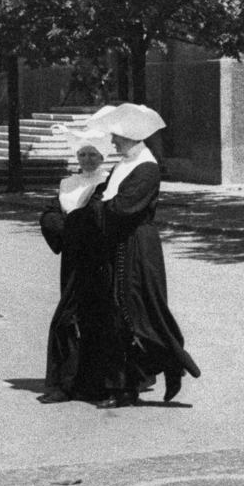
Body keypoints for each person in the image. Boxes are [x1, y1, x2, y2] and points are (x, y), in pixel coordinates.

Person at [83, 103, 200, 408]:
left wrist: (95, 208)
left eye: (116, 137)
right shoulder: (123, 164)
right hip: (120, 243)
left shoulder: (146, 168)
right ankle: (126, 386)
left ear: (130, 136)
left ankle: (169, 364)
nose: (112, 142)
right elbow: (104, 196)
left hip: (137, 246)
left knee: (139, 314)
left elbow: (123, 208)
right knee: (121, 314)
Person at [38, 143, 114, 404]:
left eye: (93, 154)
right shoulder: (67, 183)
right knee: (68, 318)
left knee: (95, 317)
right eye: (82, 154)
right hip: (73, 257)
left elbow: (100, 219)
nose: (87, 159)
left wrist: (74, 228)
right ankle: (66, 382)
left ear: (103, 156)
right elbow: (49, 214)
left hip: (97, 258)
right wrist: (66, 230)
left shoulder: (109, 183)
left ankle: (94, 383)